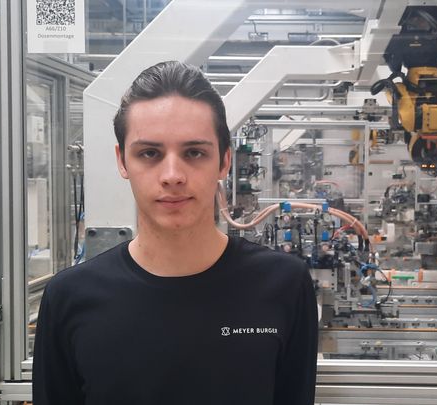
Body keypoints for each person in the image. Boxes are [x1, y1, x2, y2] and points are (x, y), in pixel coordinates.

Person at [32, 61, 318, 405]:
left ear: (224, 161)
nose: (172, 175)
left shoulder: (283, 284)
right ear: (122, 161)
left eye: (194, 152)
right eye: (149, 153)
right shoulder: (69, 297)